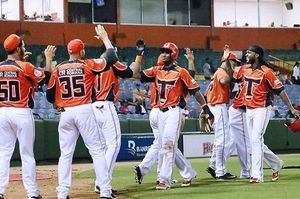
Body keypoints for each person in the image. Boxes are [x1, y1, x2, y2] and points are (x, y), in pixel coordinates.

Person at [46, 25, 116, 199]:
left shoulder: (58, 68)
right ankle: (105, 191)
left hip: (66, 113)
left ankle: (62, 193)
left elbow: (48, 95)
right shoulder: (87, 64)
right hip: (84, 109)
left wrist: (57, 102)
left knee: (66, 154)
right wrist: (105, 38)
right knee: (97, 151)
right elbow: (112, 57)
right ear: (82, 51)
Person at [133, 43, 214, 190]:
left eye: (167, 52)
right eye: (162, 51)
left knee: (168, 144)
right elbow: (136, 74)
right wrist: (139, 55)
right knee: (165, 144)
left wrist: (206, 108)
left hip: (174, 111)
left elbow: (195, 90)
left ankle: (164, 179)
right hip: (158, 111)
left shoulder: (180, 71)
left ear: (174, 54)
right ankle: (187, 173)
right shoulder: (156, 70)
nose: (163, 54)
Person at [233, 45, 300, 183]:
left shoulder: (266, 72)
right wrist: (227, 59)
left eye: (249, 52)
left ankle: (257, 175)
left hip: (262, 109)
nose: (246, 54)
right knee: (254, 142)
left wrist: (291, 109)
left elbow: (281, 91)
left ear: (257, 55)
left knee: (256, 139)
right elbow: (232, 77)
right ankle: (276, 163)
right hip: (249, 109)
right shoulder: (244, 69)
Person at [0, 34, 55, 199]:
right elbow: (46, 78)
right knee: (26, 154)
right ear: (17, 49)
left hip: (2, 112)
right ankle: (32, 193)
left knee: (3, 153)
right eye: (22, 46)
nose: (24, 48)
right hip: (21, 112)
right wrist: (48, 58)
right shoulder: (26, 66)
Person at [92, 41, 141, 195]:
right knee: (113, 145)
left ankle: (99, 183)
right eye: (114, 51)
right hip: (105, 106)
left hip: (91, 108)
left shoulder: (92, 63)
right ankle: (102, 182)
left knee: (103, 148)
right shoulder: (111, 62)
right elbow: (131, 72)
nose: (116, 54)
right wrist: (139, 56)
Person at [205, 45, 237, 180]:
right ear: (228, 61)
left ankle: (213, 165)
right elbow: (225, 80)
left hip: (213, 106)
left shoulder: (216, 73)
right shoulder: (222, 72)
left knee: (225, 139)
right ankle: (220, 171)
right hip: (218, 107)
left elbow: (207, 92)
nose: (235, 65)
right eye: (234, 62)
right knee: (222, 140)